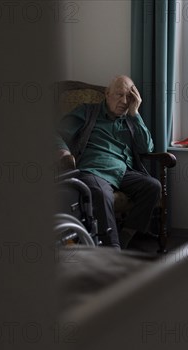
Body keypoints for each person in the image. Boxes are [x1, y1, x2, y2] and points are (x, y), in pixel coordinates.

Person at [56, 75, 161, 249]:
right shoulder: (87, 111)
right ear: (107, 93)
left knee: (153, 186)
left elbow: (146, 148)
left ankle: (125, 235)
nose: (124, 101)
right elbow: (56, 133)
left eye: (129, 97)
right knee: (100, 194)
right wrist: (63, 152)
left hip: (122, 171)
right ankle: (113, 250)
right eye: (119, 95)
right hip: (94, 170)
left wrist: (135, 113)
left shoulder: (131, 118)